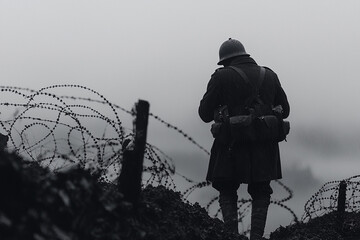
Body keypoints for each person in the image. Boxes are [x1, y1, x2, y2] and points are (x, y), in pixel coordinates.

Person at [198, 38, 290, 239]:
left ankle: (231, 236)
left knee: (227, 188)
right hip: (265, 145)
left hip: (231, 144)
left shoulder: (220, 77)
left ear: (225, 61)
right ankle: (256, 237)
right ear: (245, 55)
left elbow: (204, 114)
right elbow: (286, 110)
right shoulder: (270, 75)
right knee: (261, 191)